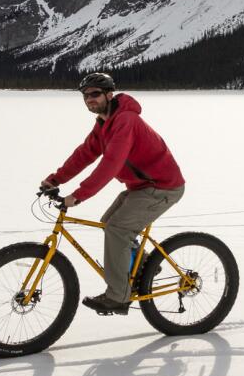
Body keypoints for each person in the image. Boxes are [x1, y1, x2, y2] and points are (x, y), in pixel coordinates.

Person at [40, 72, 186, 315]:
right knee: (109, 223)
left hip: (163, 187)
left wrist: (78, 195)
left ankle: (118, 297)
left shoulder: (125, 121)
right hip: (142, 186)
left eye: (95, 94)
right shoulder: (103, 123)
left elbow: (111, 164)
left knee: (118, 229)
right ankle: (146, 266)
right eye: (85, 96)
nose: (90, 99)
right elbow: (84, 155)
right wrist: (55, 179)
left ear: (109, 94)